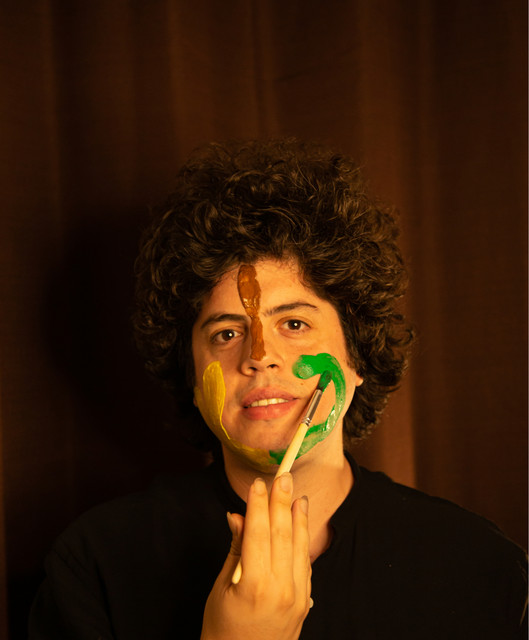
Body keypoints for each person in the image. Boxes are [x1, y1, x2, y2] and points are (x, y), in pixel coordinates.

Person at [29, 139, 527, 639]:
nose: (259, 354)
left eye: (294, 324)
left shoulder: (481, 567)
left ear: (357, 356)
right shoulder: (96, 565)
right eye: (227, 333)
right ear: (191, 377)